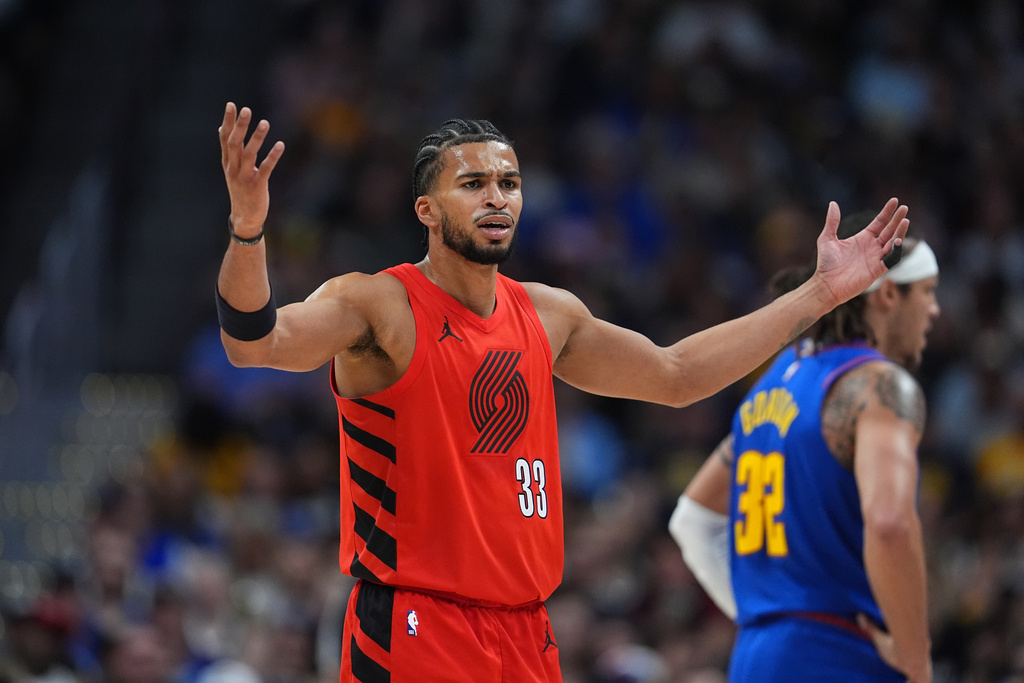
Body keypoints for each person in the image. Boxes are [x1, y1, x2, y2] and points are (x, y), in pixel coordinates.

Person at [215, 102, 908, 682]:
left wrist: (820, 294)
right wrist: (249, 228)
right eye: (474, 183)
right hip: (416, 624)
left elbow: (677, 375)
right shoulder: (377, 304)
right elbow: (255, 343)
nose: (497, 197)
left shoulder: (549, 314)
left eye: (509, 182)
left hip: (526, 632)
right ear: (427, 209)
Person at [668, 216, 939, 683]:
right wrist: (916, 658)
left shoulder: (772, 388)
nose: (935, 310)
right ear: (890, 296)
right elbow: (891, 523)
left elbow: (691, 520)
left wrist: (767, 617)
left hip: (756, 658)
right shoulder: (879, 385)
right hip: (840, 655)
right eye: (929, 292)